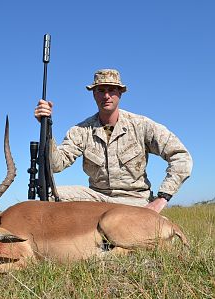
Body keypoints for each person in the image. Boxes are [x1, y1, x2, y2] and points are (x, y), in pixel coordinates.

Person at [34, 69, 193, 213]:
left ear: (120, 93)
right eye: (101, 90)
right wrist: (46, 126)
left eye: (111, 90)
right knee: (49, 195)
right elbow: (56, 165)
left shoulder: (141, 125)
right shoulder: (80, 131)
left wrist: (162, 198)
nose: (106, 96)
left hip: (134, 200)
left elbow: (181, 157)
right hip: (97, 198)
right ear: (94, 94)